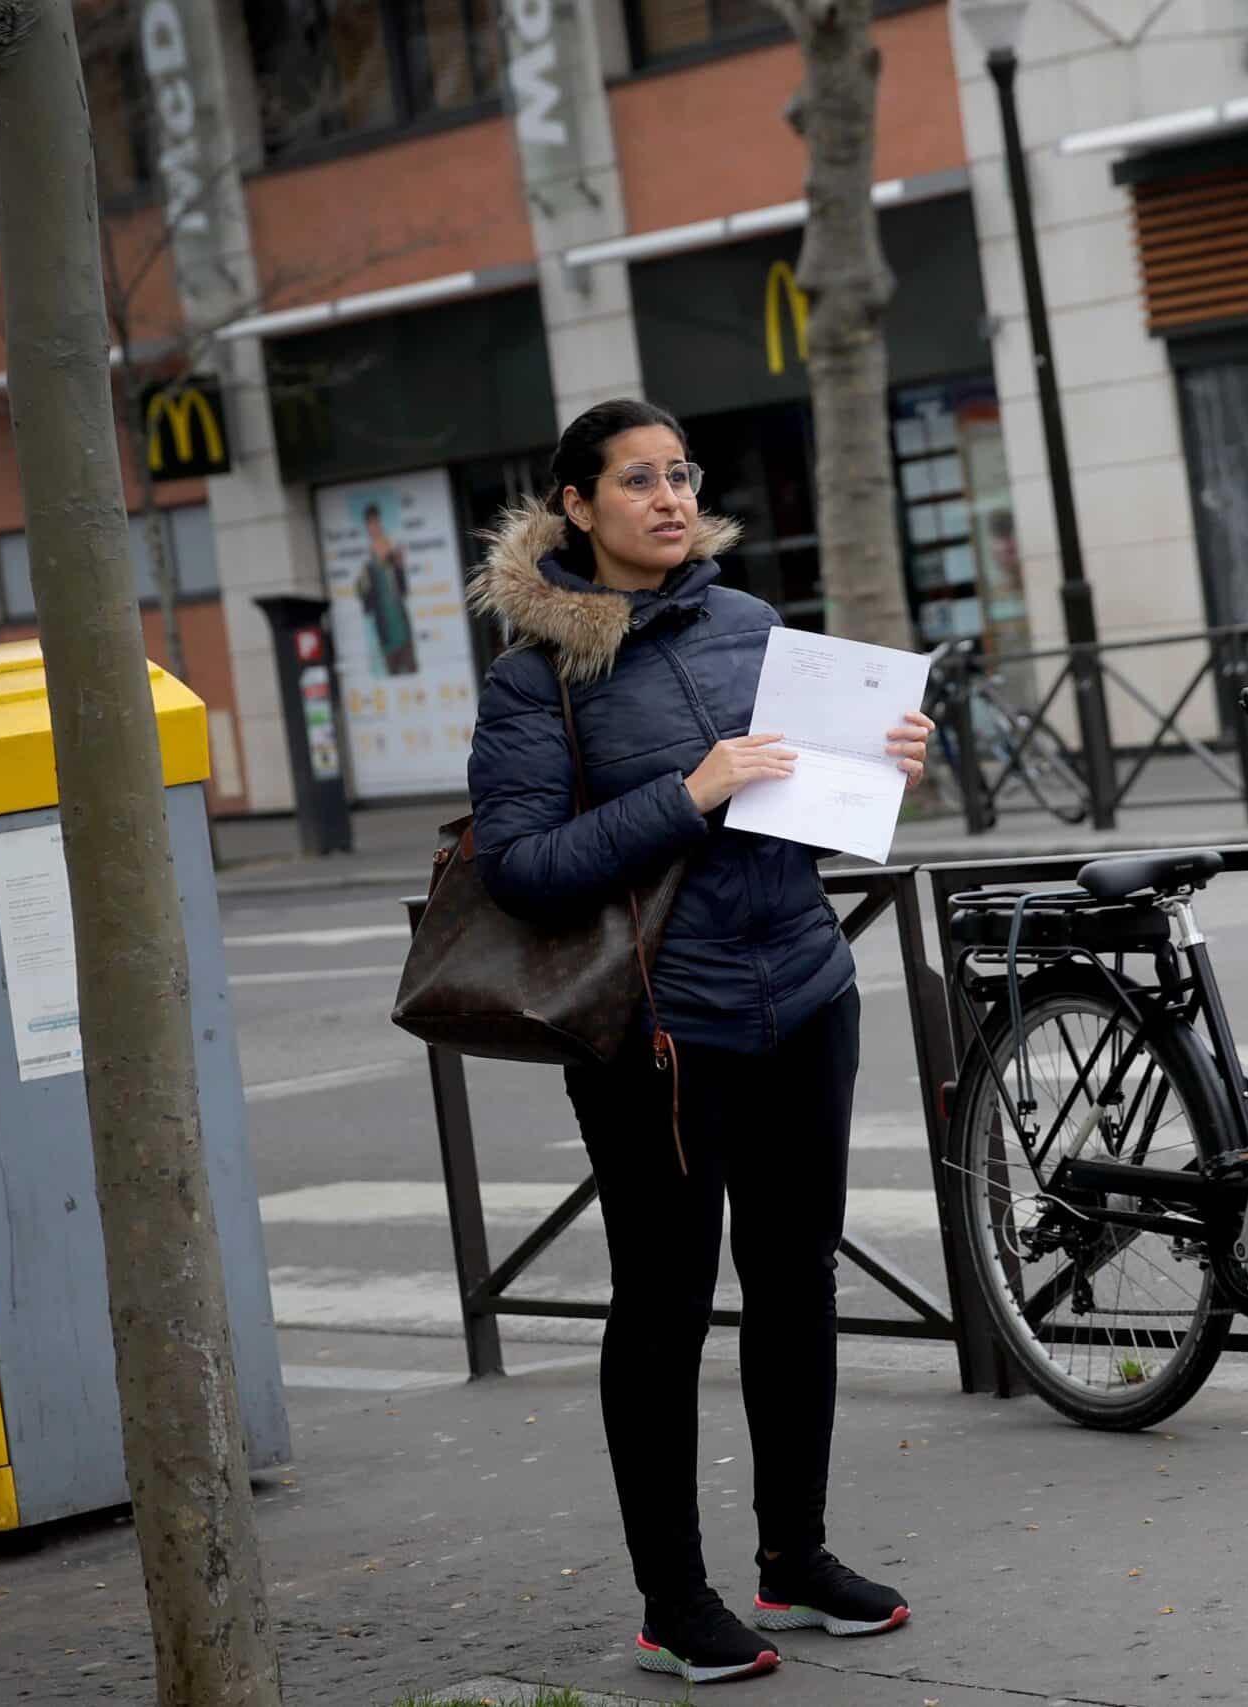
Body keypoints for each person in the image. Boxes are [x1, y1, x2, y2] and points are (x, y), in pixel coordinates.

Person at [465, 398, 936, 1686]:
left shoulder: (757, 628)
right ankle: (674, 1598)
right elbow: (518, 869)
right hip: (661, 1029)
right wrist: (689, 794)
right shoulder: (534, 679)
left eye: (681, 476)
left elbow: (815, 815)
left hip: (804, 989)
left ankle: (796, 1557)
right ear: (575, 506)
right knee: (664, 1308)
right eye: (636, 481)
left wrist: (889, 765)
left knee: (796, 1284)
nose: (669, 499)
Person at [357, 503, 418, 677]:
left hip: (402, 627)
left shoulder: (392, 548)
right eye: (371, 523)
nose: (375, 527)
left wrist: (398, 565)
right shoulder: (366, 562)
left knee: (412, 671)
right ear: (367, 527)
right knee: (394, 677)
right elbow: (366, 605)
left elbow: (404, 590)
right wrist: (364, 583)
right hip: (385, 632)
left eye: (377, 522)